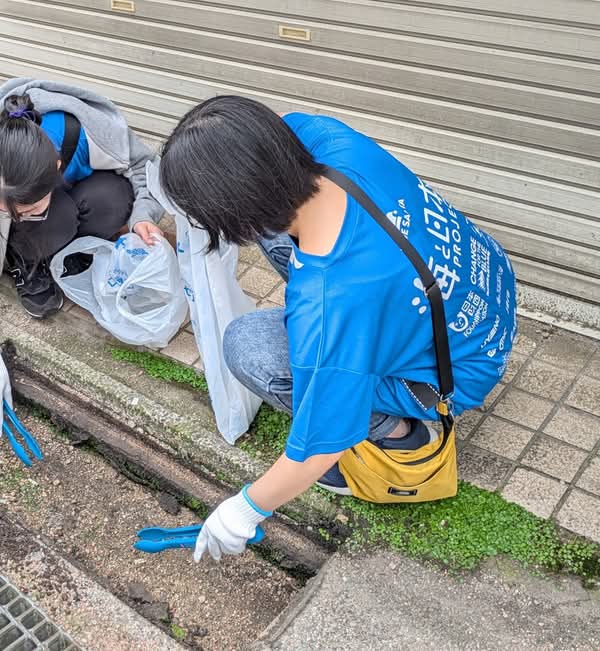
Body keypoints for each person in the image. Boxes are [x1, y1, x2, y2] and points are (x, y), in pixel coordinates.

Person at [158, 96, 516, 562]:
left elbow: (315, 449)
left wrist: (242, 510)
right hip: (481, 298)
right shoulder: (323, 138)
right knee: (278, 237)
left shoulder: (330, 304)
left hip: (448, 375)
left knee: (247, 345)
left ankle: (394, 430)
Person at [0, 78, 165, 437]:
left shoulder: (89, 129)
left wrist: (142, 218)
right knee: (47, 221)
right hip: (46, 213)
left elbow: (146, 168)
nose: (19, 216)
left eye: (28, 209)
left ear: (58, 165)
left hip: (82, 193)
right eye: (6, 211)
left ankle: (67, 248)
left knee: (109, 201)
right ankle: (28, 262)